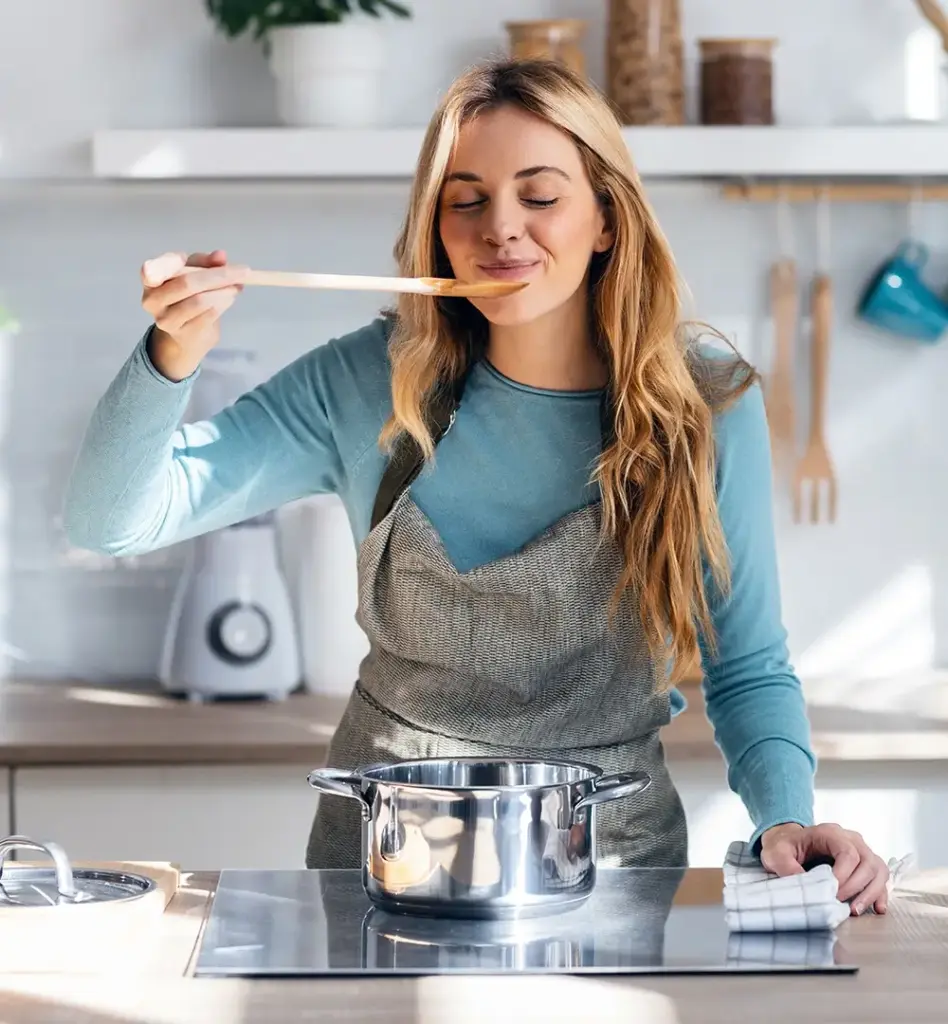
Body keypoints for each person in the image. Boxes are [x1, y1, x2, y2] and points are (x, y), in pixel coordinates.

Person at [63, 57, 890, 914]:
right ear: (436, 226)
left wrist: (785, 820)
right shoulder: (364, 384)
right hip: (383, 873)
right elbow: (110, 520)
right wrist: (171, 357)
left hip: (612, 874)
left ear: (606, 217)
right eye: (466, 200)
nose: (501, 228)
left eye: (540, 197)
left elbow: (748, 666)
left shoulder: (704, 402)